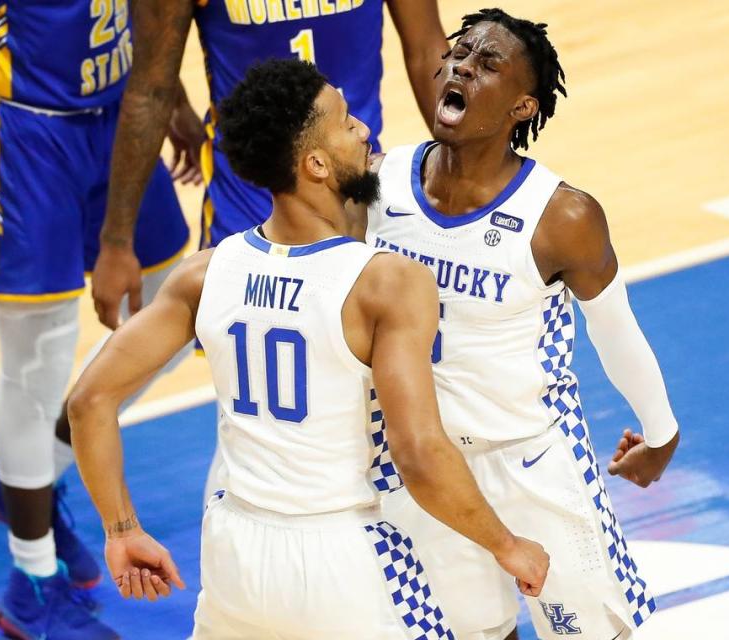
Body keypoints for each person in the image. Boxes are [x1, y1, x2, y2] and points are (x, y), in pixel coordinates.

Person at [67, 58, 550, 640]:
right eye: (346, 123)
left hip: (234, 549)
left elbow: (88, 402)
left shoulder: (205, 274)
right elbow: (418, 452)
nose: (364, 131)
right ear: (316, 164)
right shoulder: (385, 284)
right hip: (341, 557)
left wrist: (121, 530)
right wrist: (507, 545)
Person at [364, 9, 681, 640]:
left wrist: (661, 433)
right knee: (475, 633)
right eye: (458, 54)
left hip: (530, 456)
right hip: (420, 461)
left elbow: (614, 331)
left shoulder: (562, 215)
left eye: (487, 65)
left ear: (522, 106)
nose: (460, 66)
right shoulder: (382, 181)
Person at [0, 1, 200, 637]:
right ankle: (32, 579)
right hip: (25, 140)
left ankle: (29, 478)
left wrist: (171, 93)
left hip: (119, 123)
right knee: (39, 358)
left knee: (171, 320)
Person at [88, 0, 449, 329]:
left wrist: (458, 166)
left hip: (357, 193)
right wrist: (117, 241)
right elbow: (152, 87)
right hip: (248, 205)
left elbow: (426, 50)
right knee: (253, 382)